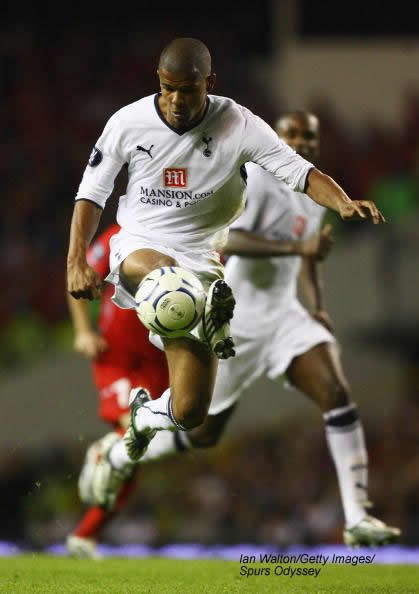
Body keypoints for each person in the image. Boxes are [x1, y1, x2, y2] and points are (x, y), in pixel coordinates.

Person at [66, 37, 384, 512]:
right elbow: (91, 196)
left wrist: (342, 200)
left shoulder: (238, 123)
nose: (176, 100)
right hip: (138, 247)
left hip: (201, 261)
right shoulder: (127, 123)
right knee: (172, 285)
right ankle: (198, 304)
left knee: (192, 413)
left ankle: (144, 419)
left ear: (209, 84)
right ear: (159, 81)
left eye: (188, 90)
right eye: (168, 88)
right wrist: (74, 261)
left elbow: (300, 172)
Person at [66, 223, 170, 558]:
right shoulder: (118, 236)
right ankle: (104, 456)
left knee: (134, 455)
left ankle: (85, 535)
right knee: (130, 431)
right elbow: (79, 277)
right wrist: (83, 331)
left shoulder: (194, 236)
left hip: (160, 360)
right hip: (119, 356)